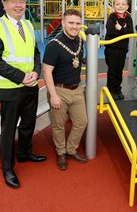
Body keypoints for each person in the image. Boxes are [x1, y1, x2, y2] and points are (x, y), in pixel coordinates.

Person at [0, 0, 47, 189]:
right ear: (4, 4)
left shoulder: (28, 25)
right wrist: (21, 77)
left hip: (30, 84)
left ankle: (24, 153)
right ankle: (7, 168)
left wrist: (36, 71)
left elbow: (35, 53)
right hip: (10, 87)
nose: (19, 5)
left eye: (22, 1)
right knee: (9, 128)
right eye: (14, 1)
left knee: (29, 122)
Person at [42, 9, 88, 170]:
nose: (75, 27)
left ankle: (70, 149)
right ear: (63, 23)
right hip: (59, 90)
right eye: (71, 23)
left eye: (77, 23)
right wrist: (53, 95)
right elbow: (46, 71)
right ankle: (61, 153)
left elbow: (75, 59)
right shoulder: (54, 45)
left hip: (77, 90)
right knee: (59, 125)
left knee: (82, 122)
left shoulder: (81, 41)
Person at [104, 0, 134, 100]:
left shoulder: (128, 18)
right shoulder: (112, 17)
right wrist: (122, 30)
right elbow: (111, 31)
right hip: (111, 48)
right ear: (113, 6)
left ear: (127, 7)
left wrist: (119, 29)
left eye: (123, 4)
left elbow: (131, 31)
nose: (120, 6)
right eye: (117, 4)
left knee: (119, 70)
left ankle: (117, 88)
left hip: (122, 49)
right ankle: (111, 89)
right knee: (112, 70)